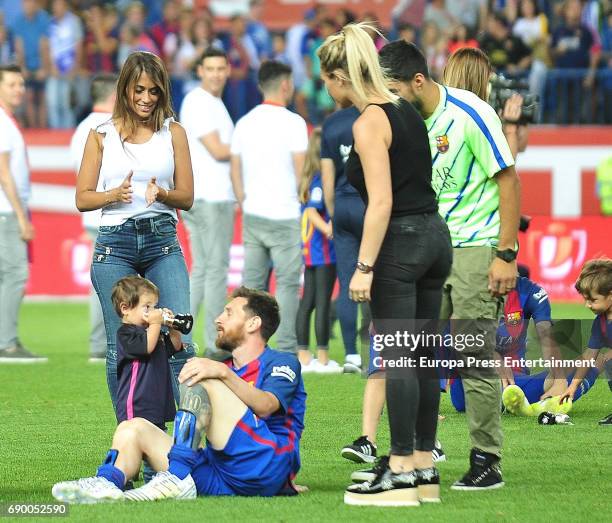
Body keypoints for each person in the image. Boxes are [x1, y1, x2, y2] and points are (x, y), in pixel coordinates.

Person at [318, 24, 452, 506]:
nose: (326, 91)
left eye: (326, 81)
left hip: (402, 244)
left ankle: (397, 470)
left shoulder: (368, 121)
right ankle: (421, 468)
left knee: (397, 357)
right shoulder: (406, 108)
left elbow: (380, 202)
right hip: (436, 238)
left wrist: (365, 266)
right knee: (421, 359)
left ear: (339, 76)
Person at [379, 40, 520, 490]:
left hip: (475, 247)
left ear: (418, 81)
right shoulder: (402, 119)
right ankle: (420, 455)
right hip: (424, 246)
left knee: (472, 352)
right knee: (416, 354)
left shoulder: (471, 113)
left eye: (396, 89)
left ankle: (486, 459)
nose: (392, 99)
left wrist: (505, 254)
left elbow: (508, 178)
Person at [51, 287, 306, 503]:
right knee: (134, 427)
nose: (218, 318)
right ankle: (108, 482)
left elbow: (267, 406)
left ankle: (176, 477)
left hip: (264, 466)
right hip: (221, 473)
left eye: (228, 313)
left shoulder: (281, 362)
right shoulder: (224, 367)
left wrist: (220, 373)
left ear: (253, 323)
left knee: (202, 373)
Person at [75, 51, 195, 412]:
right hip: (115, 247)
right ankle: (134, 437)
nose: (146, 98)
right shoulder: (100, 135)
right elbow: (82, 198)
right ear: (124, 88)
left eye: (154, 91)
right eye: (139, 89)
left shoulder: (173, 131)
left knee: (180, 338)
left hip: (162, 241)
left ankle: (185, 445)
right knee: (122, 345)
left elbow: (187, 197)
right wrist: (114, 195)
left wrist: (162, 193)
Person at [230, 60, 308, 355]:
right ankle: (286, 347)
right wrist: (301, 199)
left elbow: (234, 168)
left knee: (252, 286)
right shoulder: (294, 123)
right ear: (286, 85)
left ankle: (246, 344)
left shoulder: (245, 122)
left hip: (254, 213)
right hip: (285, 213)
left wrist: (243, 199)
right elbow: (300, 170)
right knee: (287, 284)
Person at [179, 47, 235, 359]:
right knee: (214, 269)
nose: (215, 74)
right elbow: (217, 149)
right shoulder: (200, 101)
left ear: (228, 71)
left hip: (204, 195)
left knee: (202, 269)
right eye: (210, 68)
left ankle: (178, 335)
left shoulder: (209, 102)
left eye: (220, 68)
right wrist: (248, 146)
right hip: (211, 196)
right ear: (200, 71)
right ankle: (216, 344)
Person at [70, 73, 117, 362]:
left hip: (91, 214)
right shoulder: (107, 128)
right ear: (115, 96)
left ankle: (101, 342)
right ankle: (103, 344)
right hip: (109, 213)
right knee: (112, 283)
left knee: (101, 281)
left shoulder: (80, 130)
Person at [0, 64, 45, 363]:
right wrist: (20, 216)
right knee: (16, 274)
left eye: (21, 84)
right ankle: (6, 343)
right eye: (13, 83)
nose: (20, 89)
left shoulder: (8, 121)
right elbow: (4, 172)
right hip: (6, 211)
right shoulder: (3, 123)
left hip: (6, 209)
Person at [320, 105, 369, 375]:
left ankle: (351, 355)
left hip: (342, 206)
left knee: (347, 280)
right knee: (374, 276)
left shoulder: (332, 123)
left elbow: (327, 178)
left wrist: (332, 212)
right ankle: (374, 352)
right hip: (369, 205)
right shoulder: (374, 114)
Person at [296, 127, 340, 374]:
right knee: (322, 301)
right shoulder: (321, 179)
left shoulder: (309, 178)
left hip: (310, 249)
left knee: (309, 301)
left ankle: (304, 355)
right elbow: (313, 211)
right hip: (322, 250)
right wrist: (328, 229)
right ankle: (322, 358)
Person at [112, 275, 182, 428]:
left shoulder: (153, 333)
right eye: (147, 307)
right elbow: (147, 347)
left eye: (154, 306)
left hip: (157, 403)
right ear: (126, 309)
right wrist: (156, 322)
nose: (153, 312)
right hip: (136, 406)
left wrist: (173, 327)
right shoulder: (125, 333)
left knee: (157, 446)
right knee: (135, 445)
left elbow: (175, 346)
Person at [560, 259, 612, 425]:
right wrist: (572, 387)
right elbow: (589, 355)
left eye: (593, 300)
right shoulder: (601, 322)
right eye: (585, 299)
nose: (587, 305)